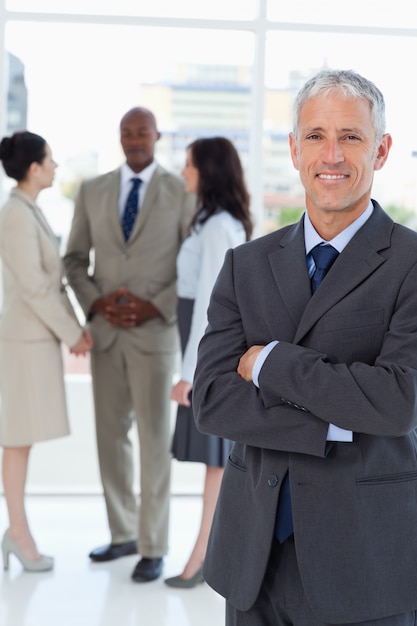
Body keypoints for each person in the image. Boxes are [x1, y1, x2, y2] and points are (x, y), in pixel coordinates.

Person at [192, 69, 417, 625]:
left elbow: (397, 402)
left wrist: (269, 362)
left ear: (382, 149)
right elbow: (214, 400)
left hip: (366, 561)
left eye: (351, 136)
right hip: (253, 560)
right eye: (315, 136)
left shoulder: (410, 264)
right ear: (294, 149)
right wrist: (335, 421)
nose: (332, 155)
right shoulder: (245, 265)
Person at [63, 107, 195, 583]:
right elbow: (74, 259)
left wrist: (153, 305)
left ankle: (153, 544)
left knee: (155, 441)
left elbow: (190, 263)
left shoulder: (181, 192)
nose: (134, 139)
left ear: (157, 136)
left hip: (155, 334)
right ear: (119, 137)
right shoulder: (93, 190)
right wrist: (97, 301)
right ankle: (123, 534)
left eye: (143, 131)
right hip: (105, 332)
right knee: (110, 437)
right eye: (127, 132)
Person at [0, 131, 92, 573]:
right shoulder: (16, 214)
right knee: (16, 439)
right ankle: (18, 533)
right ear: (33, 168)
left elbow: (46, 284)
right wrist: (74, 333)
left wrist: (74, 327)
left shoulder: (28, 210)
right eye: (50, 161)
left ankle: (17, 532)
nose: (56, 167)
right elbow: (37, 289)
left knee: (21, 440)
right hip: (23, 343)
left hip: (33, 341)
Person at [164, 137, 253, 589]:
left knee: (217, 461)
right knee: (217, 462)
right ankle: (205, 556)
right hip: (203, 349)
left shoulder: (219, 227)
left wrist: (189, 374)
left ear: (209, 171)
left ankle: (203, 558)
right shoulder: (213, 223)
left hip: (206, 353)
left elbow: (208, 307)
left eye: (189, 165)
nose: (184, 173)